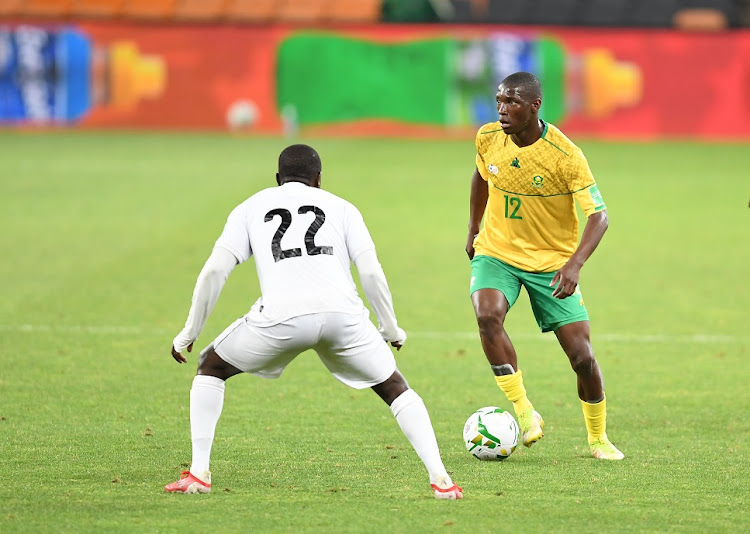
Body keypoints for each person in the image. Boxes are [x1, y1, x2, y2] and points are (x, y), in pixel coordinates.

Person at [165, 144, 463, 499]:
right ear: (318, 180)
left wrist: (189, 332)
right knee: (394, 386)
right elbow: (370, 271)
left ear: (277, 179)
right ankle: (441, 480)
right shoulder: (344, 208)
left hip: (280, 319)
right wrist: (390, 327)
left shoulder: (249, 208)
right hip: (343, 317)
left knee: (211, 366)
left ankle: (199, 474)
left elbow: (215, 269)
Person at [465, 72, 624, 460]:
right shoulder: (488, 138)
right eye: (500, 100)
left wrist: (574, 265)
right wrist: (474, 228)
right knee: (487, 316)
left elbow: (599, 217)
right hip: (498, 252)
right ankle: (524, 412)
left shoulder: (565, 155)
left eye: (513, 102)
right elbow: (482, 176)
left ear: (535, 106)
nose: (502, 108)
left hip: (551, 263)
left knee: (582, 357)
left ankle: (598, 438)